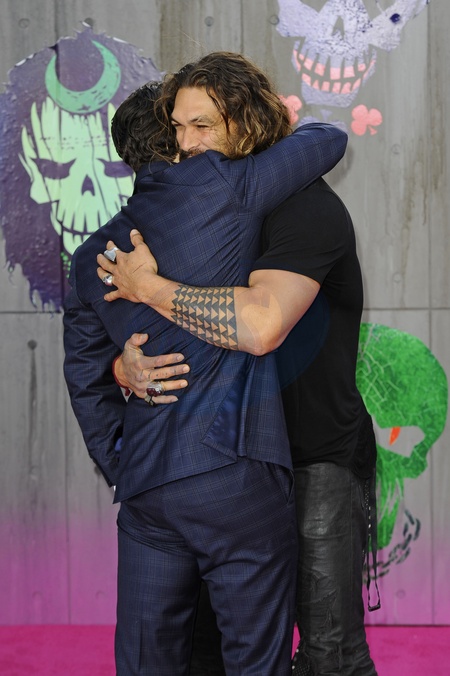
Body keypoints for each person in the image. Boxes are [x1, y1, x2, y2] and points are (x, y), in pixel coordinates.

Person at [63, 51, 347, 676]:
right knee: (254, 661)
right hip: (233, 475)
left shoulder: (89, 258)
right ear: (173, 142)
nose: (193, 141)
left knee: (147, 662)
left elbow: (86, 382)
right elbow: (328, 138)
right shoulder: (225, 188)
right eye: (183, 128)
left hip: (145, 490)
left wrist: (124, 462)